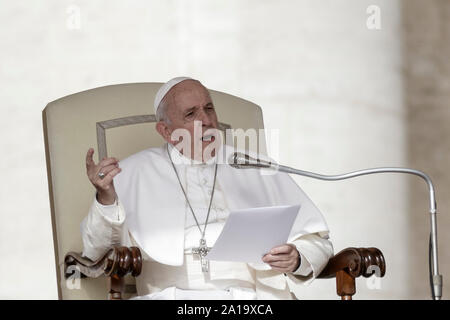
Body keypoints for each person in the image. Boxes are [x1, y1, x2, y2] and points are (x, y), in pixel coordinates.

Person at [81, 77, 333, 299]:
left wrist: (298, 258)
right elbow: (96, 253)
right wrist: (106, 198)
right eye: (191, 114)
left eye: (209, 108)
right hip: (171, 295)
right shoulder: (131, 172)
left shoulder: (255, 166)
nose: (207, 120)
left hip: (254, 297)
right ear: (165, 131)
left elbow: (316, 240)